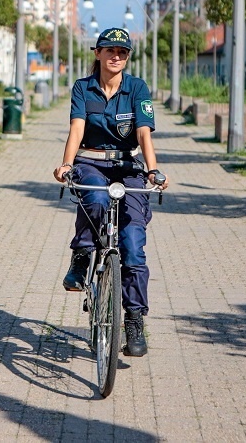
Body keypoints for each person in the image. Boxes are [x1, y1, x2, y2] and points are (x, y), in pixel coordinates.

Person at [53, 27, 169, 357]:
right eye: (110, 50)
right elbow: (76, 129)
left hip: (128, 167)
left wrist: (153, 170)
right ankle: (81, 258)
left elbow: (144, 134)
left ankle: (133, 320)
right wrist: (64, 164)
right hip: (90, 161)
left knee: (133, 244)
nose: (116, 56)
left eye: (123, 52)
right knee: (96, 198)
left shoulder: (136, 88)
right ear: (98, 53)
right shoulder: (83, 88)